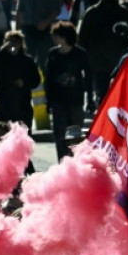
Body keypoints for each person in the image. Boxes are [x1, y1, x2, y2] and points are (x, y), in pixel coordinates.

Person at [44, 21, 92, 160]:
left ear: (63, 36)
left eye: (56, 35)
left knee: (76, 136)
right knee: (60, 136)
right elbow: (48, 79)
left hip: (76, 100)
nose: (54, 38)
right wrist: (49, 101)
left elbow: (88, 76)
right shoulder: (53, 54)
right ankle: (63, 163)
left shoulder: (80, 54)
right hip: (58, 101)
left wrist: (89, 99)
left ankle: (78, 162)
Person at [77, 0, 128, 103]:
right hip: (99, 64)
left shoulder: (124, 14)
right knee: (104, 97)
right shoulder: (92, 13)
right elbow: (82, 40)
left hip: (119, 62)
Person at [0, 31, 41, 130]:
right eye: (9, 41)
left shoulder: (27, 60)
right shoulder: (2, 59)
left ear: (21, 44)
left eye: (16, 42)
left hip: (22, 103)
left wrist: (24, 82)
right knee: (5, 133)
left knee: (22, 132)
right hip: (5, 102)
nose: (13, 45)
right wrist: (3, 50)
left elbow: (36, 80)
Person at [15, 0, 63, 64]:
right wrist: (16, 31)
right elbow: (20, 9)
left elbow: (57, 9)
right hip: (27, 31)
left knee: (45, 61)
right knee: (26, 61)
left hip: (45, 32)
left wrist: (46, 22)